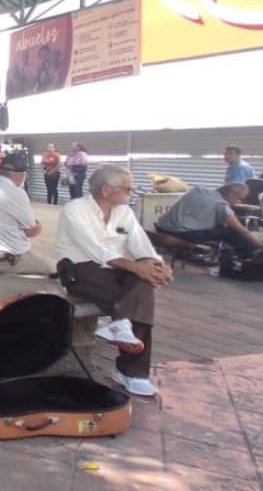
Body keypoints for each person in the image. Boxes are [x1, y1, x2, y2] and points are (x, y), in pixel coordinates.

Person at [56, 164, 173, 397]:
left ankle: (120, 328)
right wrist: (137, 268)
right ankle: (132, 373)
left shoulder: (124, 212)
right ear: (107, 190)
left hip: (119, 270)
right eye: (127, 189)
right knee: (140, 299)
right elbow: (96, 251)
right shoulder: (75, 209)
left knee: (143, 285)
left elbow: (141, 245)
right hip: (81, 270)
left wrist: (158, 267)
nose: (131, 193)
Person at [0, 153, 56, 276]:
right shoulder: (16, 193)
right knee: (54, 268)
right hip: (5, 262)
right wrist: (37, 225)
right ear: (21, 175)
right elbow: (32, 230)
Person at [155, 183, 263, 257]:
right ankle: (252, 256)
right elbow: (243, 231)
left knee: (218, 227)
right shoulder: (221, 206)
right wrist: (260, 246)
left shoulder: (199, 190)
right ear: (231, 194)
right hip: (180, 233)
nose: (239, 202)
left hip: (162, 227)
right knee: (232, 231)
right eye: (240, 198)